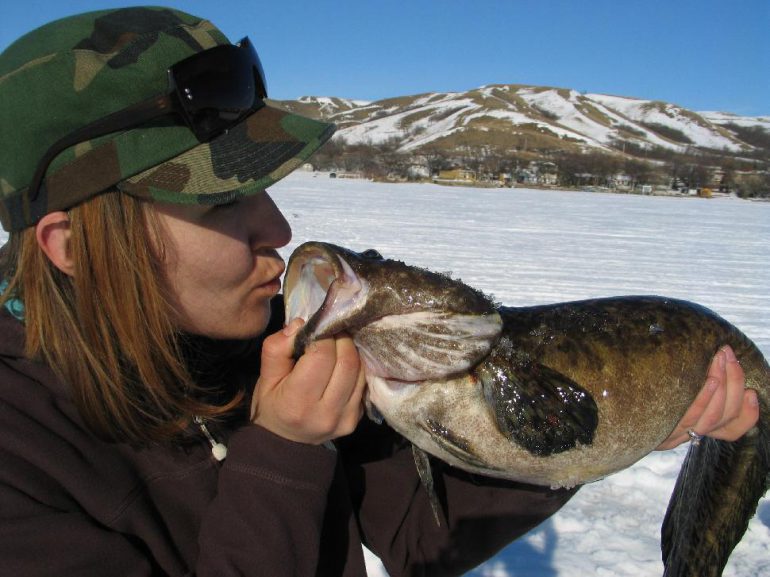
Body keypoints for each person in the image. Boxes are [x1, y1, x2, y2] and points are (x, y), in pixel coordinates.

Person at [0, 7, 759, 577]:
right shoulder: (17, 457)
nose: (280, 226)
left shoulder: (257, 339)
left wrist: (604, 425)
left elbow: (417, 532)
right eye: (222, 204)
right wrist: (282, 456)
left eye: (263, 188)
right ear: (71, 248)